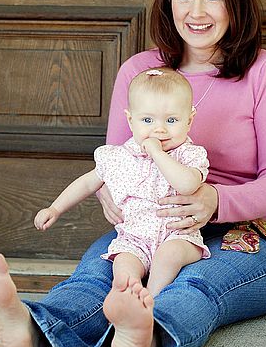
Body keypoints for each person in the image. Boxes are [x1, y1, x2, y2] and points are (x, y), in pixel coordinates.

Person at [0, 0, 266, 347]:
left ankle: (148, 334)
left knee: (192, 287)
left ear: (235, 2)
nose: (196, 12)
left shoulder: (263, 70)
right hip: (147, 226)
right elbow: (114, 166)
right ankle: (30, 331)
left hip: (241, 235)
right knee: (98, 279)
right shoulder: (139, 71)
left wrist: (213, 201)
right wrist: (111, 198)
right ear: (168, 2)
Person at [34, 66, 210, 304]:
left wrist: (158, 154)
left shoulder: (189, 155)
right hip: (134, 237)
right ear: (130, 120)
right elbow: (87, 183)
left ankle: (152, 298)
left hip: (177, 235)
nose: (159, 129)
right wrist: (54, 208)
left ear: (189, 120)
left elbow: (188, 185)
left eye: (171, 120)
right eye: (147, 120)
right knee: (123, 264)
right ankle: (130, 296)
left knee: (170, 256)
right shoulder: (118, 156)